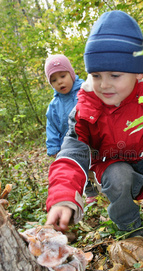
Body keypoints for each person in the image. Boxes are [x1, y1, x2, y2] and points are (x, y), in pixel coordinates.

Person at [45, 11, 143, 236]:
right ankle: (129, 227)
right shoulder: (85, 109)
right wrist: (63, 195)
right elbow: (70, 155)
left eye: (115, 75)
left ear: (137, 73)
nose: (104, 84)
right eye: (96, 75)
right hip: (111, 165)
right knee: (119, 176)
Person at [45, 54, 98, 202]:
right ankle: (90, 192)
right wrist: (53, 147)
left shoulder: (85, 89)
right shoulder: (54, 105)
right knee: (78, 166)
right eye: (54, 80)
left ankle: (105, 186)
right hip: (70, 142)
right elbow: (52, 127)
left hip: (91, 137)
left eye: (63, 75)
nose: (60, 82)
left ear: (71, 73)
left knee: (97, 163)